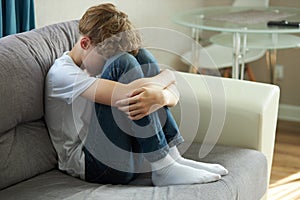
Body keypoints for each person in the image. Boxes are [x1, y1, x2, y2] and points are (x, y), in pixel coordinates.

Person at [45, 3, 228, 187]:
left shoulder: (93, 62)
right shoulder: (62, 74)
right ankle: (163, 168)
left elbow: (167, 94)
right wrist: (169, 77)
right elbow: (130, 95)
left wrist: (162, 97)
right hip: (94, 164)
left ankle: (172, 159)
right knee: (123, 62)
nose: (106, 65)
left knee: (141, 56)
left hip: (126, 154)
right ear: (85, 43)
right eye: (105, 58)